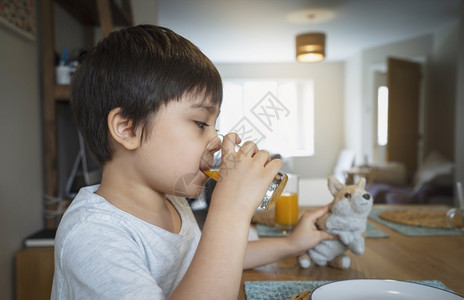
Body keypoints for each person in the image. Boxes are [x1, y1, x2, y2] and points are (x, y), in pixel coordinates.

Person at [51, 24, 336, 299]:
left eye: (214, 125)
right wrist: (231, 210)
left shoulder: (172, 203)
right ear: (128, 129)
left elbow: (214, 259)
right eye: (200, 123)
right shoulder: (93, 236)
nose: (216, 141)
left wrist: (291, 243)